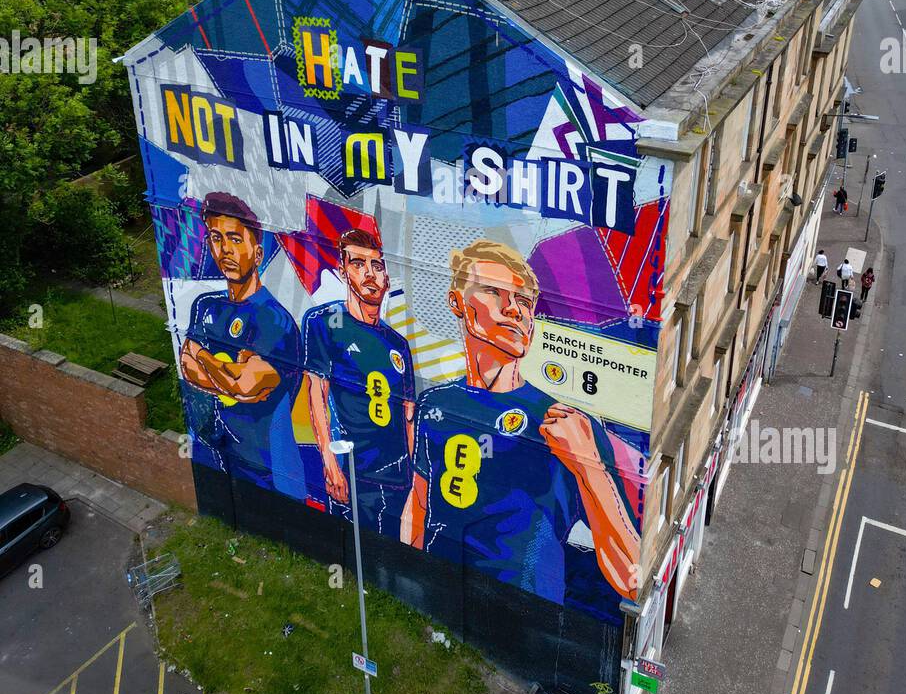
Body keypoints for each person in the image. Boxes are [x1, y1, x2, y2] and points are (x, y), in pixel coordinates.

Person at [403, 239, 640, 606]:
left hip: (524, 624)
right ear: (458, 303)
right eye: (495, 293)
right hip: (439, 600)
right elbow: (418, 505)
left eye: (525, 301)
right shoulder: (435, 403)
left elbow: (632, 578)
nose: (514, 310)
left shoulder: (566, 424)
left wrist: (590, 469)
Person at [180, 193, 304, 499]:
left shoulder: (275, 320)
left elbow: (244, 386)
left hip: (272, 475)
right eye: (216, 238)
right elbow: (187, 368)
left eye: (235, 239)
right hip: (222, 454)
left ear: (258, 253)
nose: (225, 250)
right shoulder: (205, 305)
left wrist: (203, 356)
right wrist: (226, 371)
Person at [302, 227, 416, 535]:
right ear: (342, 271)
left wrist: (416, 480)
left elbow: (408, 416)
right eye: (358, 264)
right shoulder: (324, 323)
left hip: (398, 477)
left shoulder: (397, 344)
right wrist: (329, 463)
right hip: (355, 472)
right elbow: (317, 395)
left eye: (377, 266)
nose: (370, 274)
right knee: (358, 549)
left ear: (387, 278)